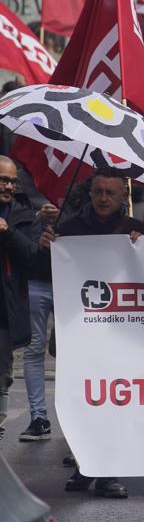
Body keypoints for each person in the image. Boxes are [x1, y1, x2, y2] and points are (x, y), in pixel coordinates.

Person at [40, 172, 144, 500]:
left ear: (123, 197)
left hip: (122, 336)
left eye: (111, 194)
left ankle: (108, 472)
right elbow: (39, 272)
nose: (103, 198)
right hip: (78, 334)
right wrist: (45, 245)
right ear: (90, 193)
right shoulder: (69, 228)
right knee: (83, 402)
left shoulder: (137, 230)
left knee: (114, 402)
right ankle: (85, 464)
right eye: (99, 192)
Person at [0, 156, 39, 445]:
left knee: (2, 378)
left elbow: (32, 256)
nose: (9, 186)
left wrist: (7, 232)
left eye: (13, 181)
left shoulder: (24, 215)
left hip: (5, 310)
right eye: (3, 180)